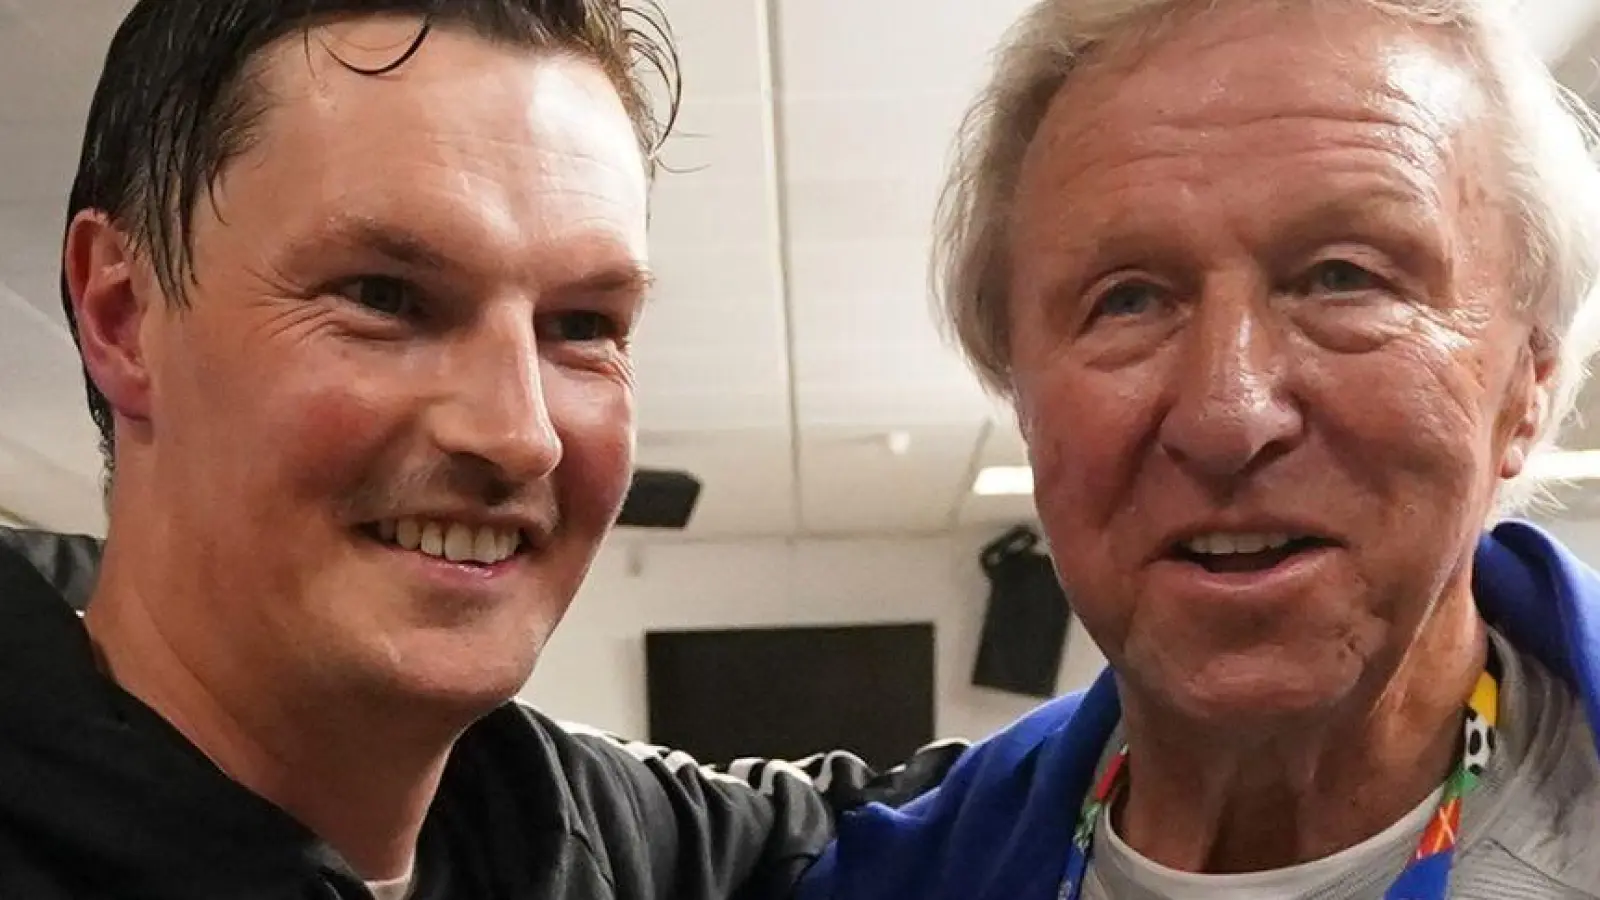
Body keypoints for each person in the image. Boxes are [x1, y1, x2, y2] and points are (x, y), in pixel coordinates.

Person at [0, 2, 960, 897]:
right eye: (383, 297)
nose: (520, 435)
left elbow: (970, 819)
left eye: (583, 322)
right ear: (125, 318)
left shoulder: (585, 838)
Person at [796, 1, 1600, 898]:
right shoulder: (889, 879)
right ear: (1020, 394)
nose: (1228, 414)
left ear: (1527, 385)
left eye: (1344, 278)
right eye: (1129, 300)